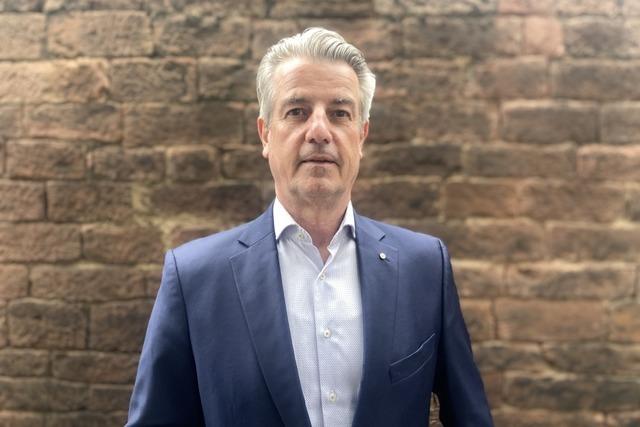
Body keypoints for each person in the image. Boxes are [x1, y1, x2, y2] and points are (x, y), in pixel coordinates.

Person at [126, 27, 493, 427]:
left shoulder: (424, 268)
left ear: (361, 136)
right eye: (297, 111)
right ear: (265, 134)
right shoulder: (195, 278)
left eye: (340, 113)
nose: (319, 131)